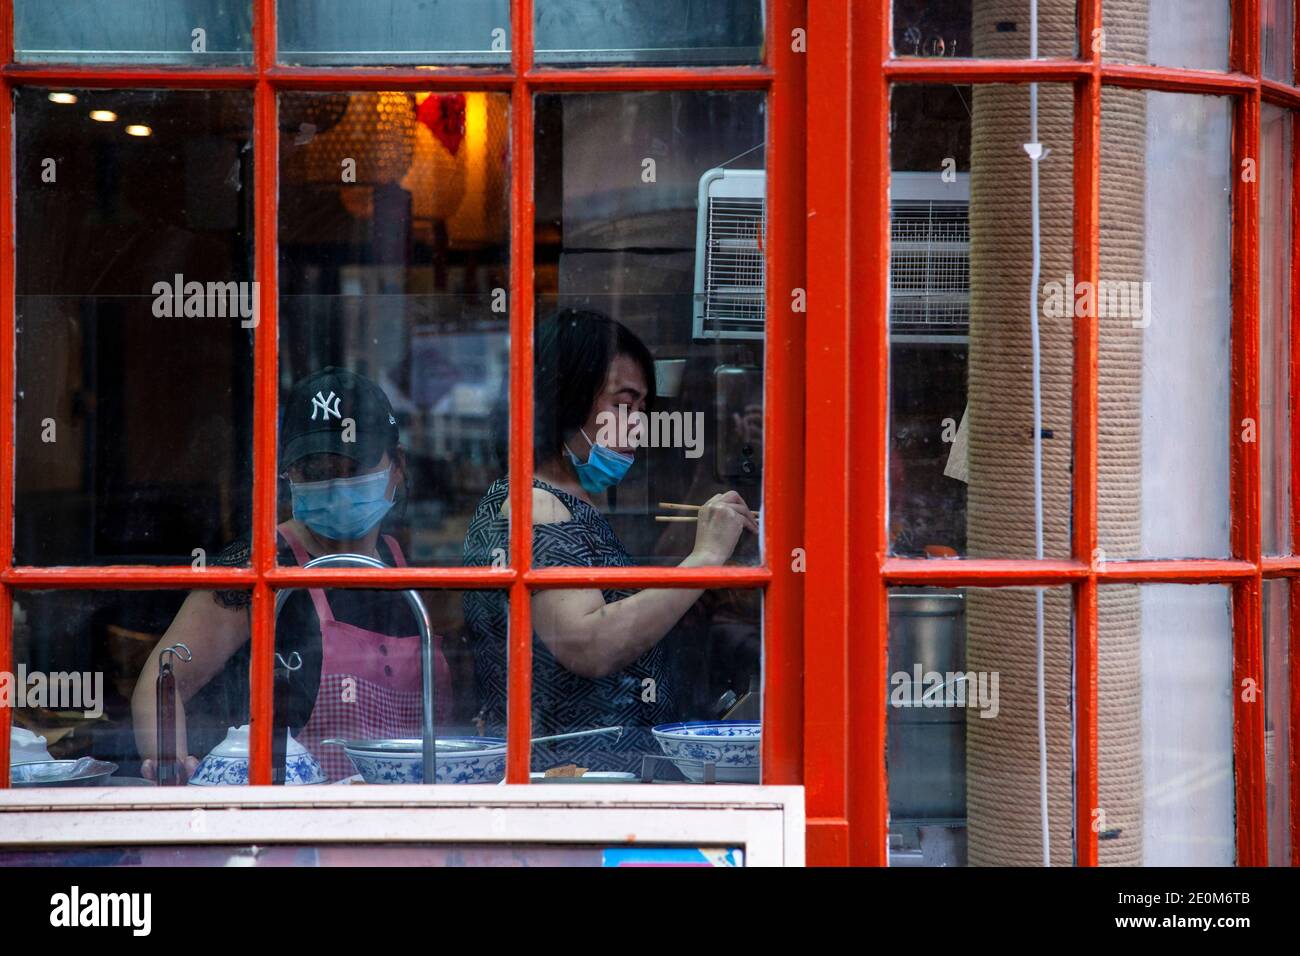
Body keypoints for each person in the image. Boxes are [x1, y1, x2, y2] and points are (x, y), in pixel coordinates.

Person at [462, 310, 758, 773]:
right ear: (565, 398)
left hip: (599, 772)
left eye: (641, 409)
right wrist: (705, 558)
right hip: (566, 777)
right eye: (623, 405)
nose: (636, 424)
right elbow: (587, 643)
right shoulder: (533, 503)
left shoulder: (560, 498)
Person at [132, 367, 451, 782]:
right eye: (314, 471)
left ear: (397, 465)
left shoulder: (404, 563)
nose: (334, 484)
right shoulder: (259, 565)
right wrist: (169, 763)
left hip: (415, 808)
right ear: (289, 475)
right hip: (297, 813)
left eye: (350, 467)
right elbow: (163, 681)